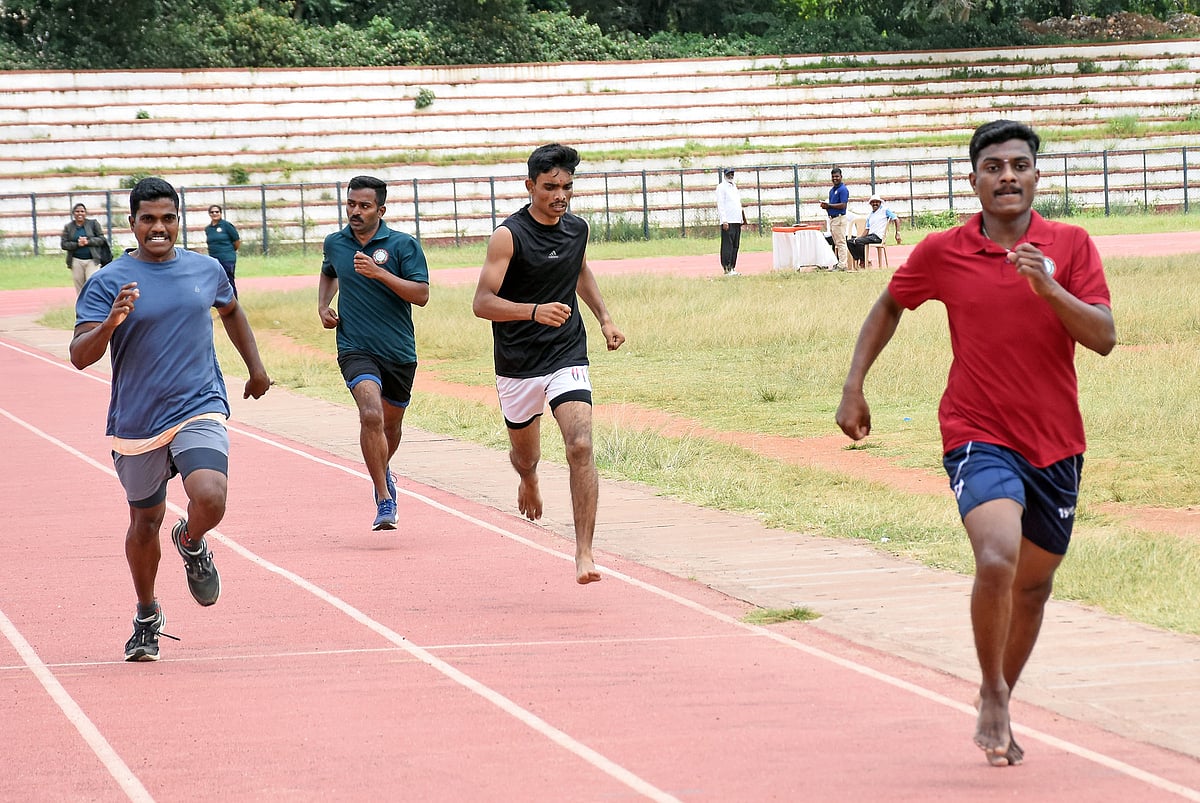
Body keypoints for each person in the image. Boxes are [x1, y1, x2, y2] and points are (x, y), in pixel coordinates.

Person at [835, 120, 1115, 767]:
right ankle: (990, 692)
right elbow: (890, 304)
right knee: (996, 557)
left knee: (1034, 589)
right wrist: (854, 386)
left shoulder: (1069, 245)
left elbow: (1102, 336)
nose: (1008, 175)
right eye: (995, 166)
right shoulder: (944, 249)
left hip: (1057, 445)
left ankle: (1002, 694)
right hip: (976, 433)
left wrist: (1048, 285)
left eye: (1020, 164)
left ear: (1037, 177)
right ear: (975, 180)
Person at [70, 177, 272, 662]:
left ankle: (192, 539)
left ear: (179, 220)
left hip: (198, 403)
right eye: (148, 219)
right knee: (144, 521)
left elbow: (231, 311)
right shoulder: (108, 281)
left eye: (168, 218)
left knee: (210, 496)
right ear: (133, 223)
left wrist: (256, 367)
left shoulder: (207, 269)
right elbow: (79, 355)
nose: (159, 228)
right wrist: (111, 323)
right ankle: (146, 615)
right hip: (138, 419)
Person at [472, 143, 626, 585]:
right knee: (527, 454)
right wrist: (534, 310)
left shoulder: (577, 229)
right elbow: (482, 303)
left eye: (567, 187)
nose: (560, 196)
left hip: (566, 353)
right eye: (550, 187)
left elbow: (578, 272)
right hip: (518, 362)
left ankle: (584, 553)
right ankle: (529, 477)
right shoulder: (509, 235)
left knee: (580, 444)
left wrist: (605, 318)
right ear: (530, 186)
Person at [318, 175, 430, 531]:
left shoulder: (402, 245)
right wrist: (323, 306)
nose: (355, 211)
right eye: (351, 204)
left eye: (364, 206)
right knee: (371, 415)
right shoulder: (335, 243)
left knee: (390, 424)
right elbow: (329, 272)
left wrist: (380, 274)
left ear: (381, 210)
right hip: (355, 347)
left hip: (398, 351)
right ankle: (384, 496)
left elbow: (421, 294)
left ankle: (382, 469)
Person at [61, 203, 110, 295]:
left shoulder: (93, 224)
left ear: (86, 213)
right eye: (77, 211)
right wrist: (77, 244)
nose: (80, 213)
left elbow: (101, 239)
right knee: (80, 287)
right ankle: (81, 307)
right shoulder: (68, 227)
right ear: (73, 213)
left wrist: (88, 241)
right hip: (76, 260)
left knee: (91, 283)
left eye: (82, 211)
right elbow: (64, 244)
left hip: (92, 260)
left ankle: (92, 305)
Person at [847, 194, 902, 268]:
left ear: (880, 203)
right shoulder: (870, 215)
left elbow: (896, 219)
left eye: (877, 202)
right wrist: (858, 238)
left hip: (878, 237)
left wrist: (897, 233)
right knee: (850, 241)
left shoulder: (885, 210)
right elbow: (867, 230)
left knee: (858, 241)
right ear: (870, 204)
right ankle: (863, 260)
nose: (875, 204)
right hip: (870, 236)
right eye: (873, 202)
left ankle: (864, 262)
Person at [715, 167, 746, 276]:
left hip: (736, 220)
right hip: (728, 220)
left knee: (735, 245)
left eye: (732, 174)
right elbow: (721, 204)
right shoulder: (721, 187)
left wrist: (741, 218)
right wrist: (724, 220)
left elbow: (738, 203)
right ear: (725, 175)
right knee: (727, 245)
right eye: (729, 174)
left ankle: (732, 267)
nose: (731, 175)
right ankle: (726, 268)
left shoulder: (734, 187)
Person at [205, 205, 241, 297]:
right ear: (209, 214)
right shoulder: (208, 229)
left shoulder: (226, 225)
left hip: (227, 258)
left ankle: (234, 304)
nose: (214, 214)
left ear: (221, 213)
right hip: (214, 260)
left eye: (217, 212)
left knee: (229, 281)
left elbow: (236, 241)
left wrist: (229, 252)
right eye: (212, 212)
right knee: (217, 282)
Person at [819, 167, 850, 271]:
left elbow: (843, 205)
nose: (835, 178)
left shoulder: (843, 189)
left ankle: (843, 265)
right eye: (833, 177)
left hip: (839, 218)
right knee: (837, 242)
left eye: (837, 176)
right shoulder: (832, 191)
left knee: (841, 242)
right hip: (832, 218)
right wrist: (826, 207)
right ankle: (840, 263)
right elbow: (831, 206)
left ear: (841, 177)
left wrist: (829, 205)